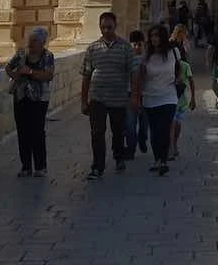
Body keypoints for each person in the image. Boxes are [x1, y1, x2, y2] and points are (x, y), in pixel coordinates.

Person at [131, 22, 196, 175]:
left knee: (165, 128)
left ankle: (163, 160)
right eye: (152, 36)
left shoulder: (173, 52)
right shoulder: (146, 56)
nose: (154, 39)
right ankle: (157, 159)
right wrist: (136, 96)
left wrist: (178, 79)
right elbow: (139, 77)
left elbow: (179, 68)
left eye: (157, 35)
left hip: (169, 96)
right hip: (150, 97)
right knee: (154, 131)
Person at [80, 11, 136, 180]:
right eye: (103, 27)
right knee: (97, 132)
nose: (106, 31)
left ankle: (119, 157)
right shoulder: (92, 48)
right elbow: (86, 75)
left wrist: (134, 96)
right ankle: (98, 166)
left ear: (115, 26)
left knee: (118, 131)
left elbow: (133, 73)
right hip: (97, 97)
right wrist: (84, 101)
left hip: (118, 97)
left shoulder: (125, 48)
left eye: (109, 27)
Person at [7, 26, 55, 178]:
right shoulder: (21, 54)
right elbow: (8, 67)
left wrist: (30, 72)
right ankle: (26, 166)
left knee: (37, 131)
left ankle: (40, 166)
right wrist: (16, 76)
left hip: (39, 99)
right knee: (22, 132)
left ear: (42, 43)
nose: (31, 43)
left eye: (34, 41)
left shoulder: (47, 56)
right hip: (20, 97)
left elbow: (48, 75)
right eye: (30, 40)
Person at [124, 30, 149, 160]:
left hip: (146, 95)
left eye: (139, 44)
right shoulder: (127, 59)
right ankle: (131, 148)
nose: (137, 47)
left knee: (144, 123)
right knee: (130, 123)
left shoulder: (148, 58)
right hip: (130, 93)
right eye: (134, 44)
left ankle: (142, 138)